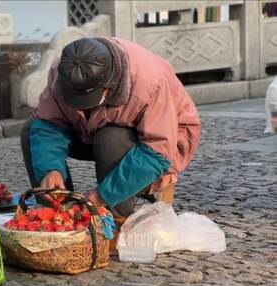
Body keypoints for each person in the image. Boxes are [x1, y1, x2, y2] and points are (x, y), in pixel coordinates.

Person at [21, 37, 200, 218]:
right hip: (88, 130)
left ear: (109, 86)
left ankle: (116, 218)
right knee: (31, 130)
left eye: (87, 100)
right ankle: (56, 214)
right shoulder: (64, 72)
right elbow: (48, 124)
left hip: (160, 148)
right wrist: (51, 169)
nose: (81, 108)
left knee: (110, 137)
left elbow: (158, 151)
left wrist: (102, 195)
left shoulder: (149, 83)